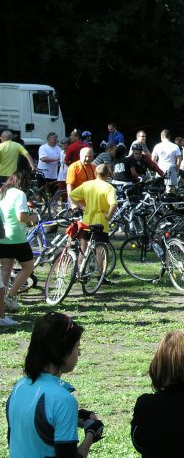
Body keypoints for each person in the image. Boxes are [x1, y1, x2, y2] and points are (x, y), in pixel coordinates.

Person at [7, 312, 104, 457]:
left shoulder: (19, 386)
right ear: (62, 352)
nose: (79, 353)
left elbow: (25, 431)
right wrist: (91, 433)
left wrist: (74, 417)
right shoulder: (63, 400)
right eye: (77, 347)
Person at [0, 170, 39, 322]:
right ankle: (10, 296)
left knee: (6, 268)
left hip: (2, 236)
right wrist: (33, 217)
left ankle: (2, 301)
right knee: (28, 267)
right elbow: (21, 217)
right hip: (16, 237)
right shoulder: (20, 194)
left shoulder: (3, 191)